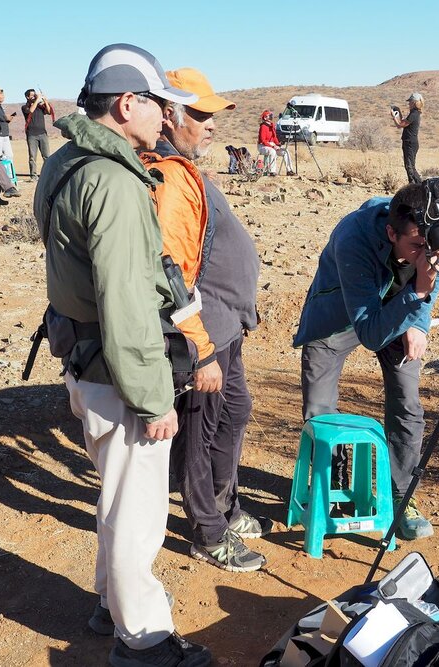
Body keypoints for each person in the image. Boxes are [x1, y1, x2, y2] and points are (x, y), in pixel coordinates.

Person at [33, 43, 210, 667]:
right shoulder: (114, 180)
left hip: (84, 363)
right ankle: (143, 643)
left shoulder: (64, 164)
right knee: (137, 515)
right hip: (119, 372)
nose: (166, 118)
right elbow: (128, 299)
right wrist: (153, 395)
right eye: (158, 105)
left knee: (115, 499)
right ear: (126, 103)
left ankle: (110, 603)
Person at [138, 67, 268, 573]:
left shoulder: (186, 168)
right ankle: (206, 529)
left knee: (233, 413)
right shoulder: (169, 175)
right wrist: (200, 344)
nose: (211, 124)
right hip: (203, 329)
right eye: (200, 113)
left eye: (213, 114)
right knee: (201, 426)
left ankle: (225, 505)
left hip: (224, 323)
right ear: (168, 115)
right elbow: (169, 267)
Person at [292, 182, 439, 541]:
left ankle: (400, 496)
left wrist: (419, 320)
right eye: (416, 246)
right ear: (391, 232)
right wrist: (419, 291)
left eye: (431, 246)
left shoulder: (435, 234)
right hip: (341, 314)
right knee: (320, 411)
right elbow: (370, 331)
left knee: (408, 405)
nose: (426, 253)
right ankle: (333, 488)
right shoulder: (353, 237)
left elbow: (436, 270)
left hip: (399, 312)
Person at [21, 89, 54, 179]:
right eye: (32, 95)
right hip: (32, 135)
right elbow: (30, 111)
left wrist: (45, 101)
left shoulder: (40, 107)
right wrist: (37, 100)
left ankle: (48, 174)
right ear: (27, 97)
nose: (34, 96)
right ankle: (33, 176)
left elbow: (48, 111)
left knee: (47, 156)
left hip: (43, 134)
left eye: (35, 95)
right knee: (32, 157)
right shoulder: (24, 107)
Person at [392, 92, 424, 184]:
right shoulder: (414, 113)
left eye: (410, 102)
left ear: (414, 102)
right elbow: (403, 122)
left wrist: (394, 116)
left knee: (410, 167)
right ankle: (413, 185)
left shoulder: (414, 114)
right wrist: (398, 114)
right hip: (409, 142)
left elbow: (399, 125)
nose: (409, 103)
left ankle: (420, 186)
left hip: (410, 143)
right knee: (409, 166)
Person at [257, 109, 295, 176]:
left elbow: (274, 138)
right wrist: (273, 146)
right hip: (262, 146)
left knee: (285, 152)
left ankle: (289, 170)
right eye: (269, 115)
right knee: (272, 151)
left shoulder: (272, 126)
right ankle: (272, 171)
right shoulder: (263, 126)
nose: (271, 117)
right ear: (265, 117)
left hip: (271, 145)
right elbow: (263, 140)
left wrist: (278, 144)